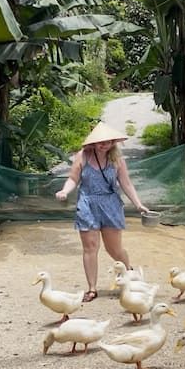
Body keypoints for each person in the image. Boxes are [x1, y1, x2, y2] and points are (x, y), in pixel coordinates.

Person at [55, 122, 150, 302]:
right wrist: (65, 191)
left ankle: (129, 274)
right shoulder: (82, 156)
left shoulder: (117, 160)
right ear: (93, 142)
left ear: (113, 142)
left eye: (108, 141)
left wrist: (138, 204)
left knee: (114, 249)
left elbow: (126, 183)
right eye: (100, 141)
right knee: (90, 247)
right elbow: (73, 179)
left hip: (110, 204)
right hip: (87, 203)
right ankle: (92, 288)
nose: (104, 145)